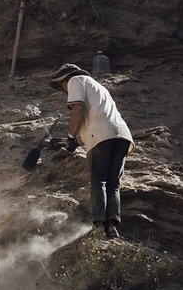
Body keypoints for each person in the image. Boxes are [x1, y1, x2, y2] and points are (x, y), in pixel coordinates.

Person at [48, 61, 133, 238]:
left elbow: (77, 108)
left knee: (98, 181)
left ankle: (99, 226)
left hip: (101, 138)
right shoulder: (99, 88)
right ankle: (112, 227)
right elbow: (96, 124)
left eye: (61, 86)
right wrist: (70, 141)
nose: (63, 90)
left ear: (65, 78)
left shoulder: (75, 80)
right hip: (122, 136)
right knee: (113, 184)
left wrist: (71, 135)